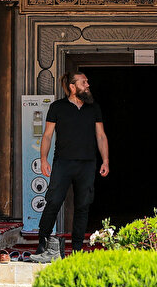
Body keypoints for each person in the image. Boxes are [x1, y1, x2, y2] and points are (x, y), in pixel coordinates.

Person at [32, 72, 109, 262]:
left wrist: (105, 160)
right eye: (84, 82)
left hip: (87, 164)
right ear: (73, 87)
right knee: (53, 202)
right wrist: (43, 159)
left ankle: (76, 248)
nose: (88, 84)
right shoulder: (57, 107)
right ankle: (42, 243)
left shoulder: (94, 108)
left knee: (83, 206)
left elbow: (101, 135)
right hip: (63, 163)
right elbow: (48, 135)